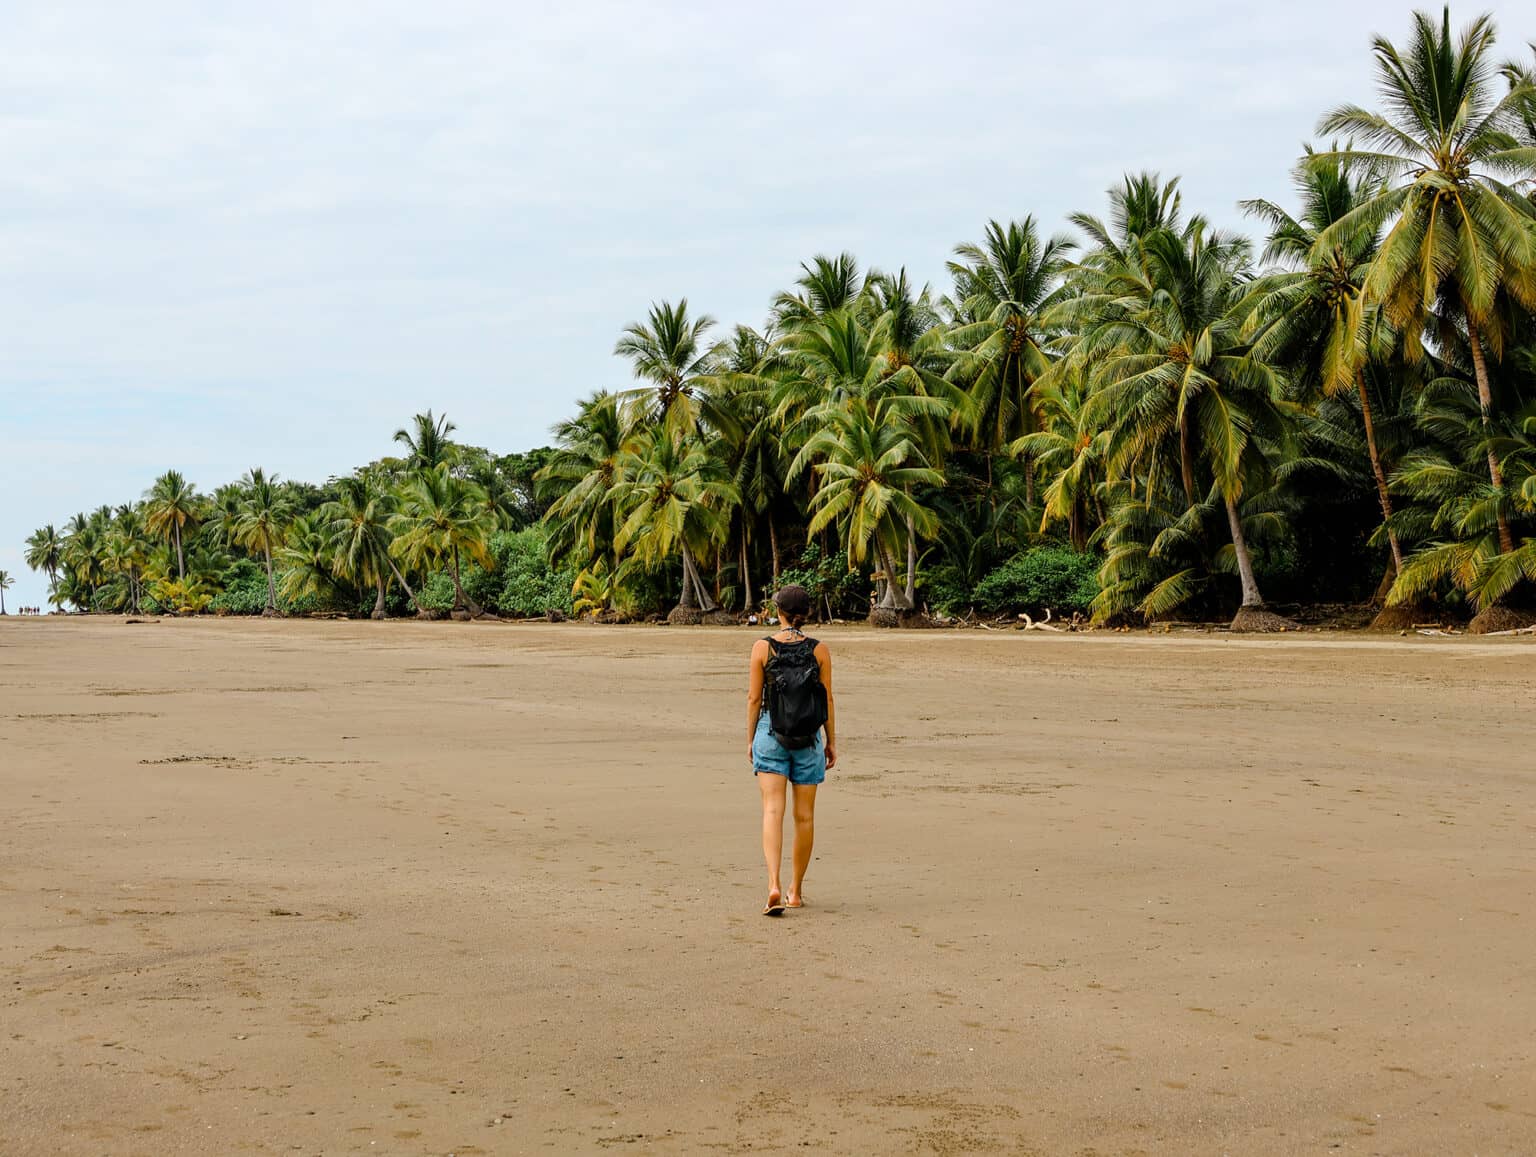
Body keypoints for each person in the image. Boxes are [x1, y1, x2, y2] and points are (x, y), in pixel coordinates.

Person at [746, 585, 836, 915]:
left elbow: (755, 699)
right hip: (809, 737)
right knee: (805, 817)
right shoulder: (820, 650)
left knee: (772, 810)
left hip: (772, 733)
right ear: (807, 613)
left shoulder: (762, 648)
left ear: (778, 611)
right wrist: (831, 741)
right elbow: (827, 699)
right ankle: (795, 891)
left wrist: (751, 739)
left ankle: (773, 883)